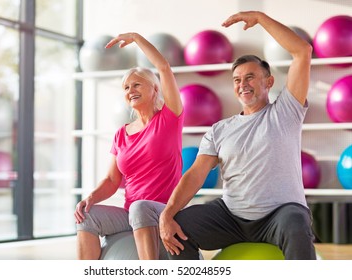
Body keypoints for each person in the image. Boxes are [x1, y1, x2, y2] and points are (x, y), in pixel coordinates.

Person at [159, 11, 317, 260]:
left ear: (269, 82)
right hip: (231, 217)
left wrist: (260, 18)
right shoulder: (219, 130)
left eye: (250, 77)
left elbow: (302, 52)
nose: (242, 84)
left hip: (279, 215)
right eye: (237, 79)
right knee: (178, 227)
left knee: (296, 223)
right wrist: (167, 213)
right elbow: (196, 175)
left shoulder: (286, 111)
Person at [74, 32, 184, 260]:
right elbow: (113, 180)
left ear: (155, 89)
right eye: (126, 87)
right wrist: (90, 199)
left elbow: (164, 67)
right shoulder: (121, 134)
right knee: (87, 215)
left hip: (162, 211)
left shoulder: (169, 119)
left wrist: (136, 38)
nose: (130, 90)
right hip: (132, 213)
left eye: (137, 85)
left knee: (139, 208)